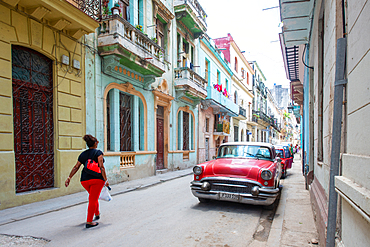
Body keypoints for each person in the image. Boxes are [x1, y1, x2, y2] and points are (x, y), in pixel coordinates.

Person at [65, 134, 110, 228]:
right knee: (93, 199)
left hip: (84, 180)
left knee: (93, 197)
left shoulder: (83, 154)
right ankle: (89, 222)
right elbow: (101, 167)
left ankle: (97, 213)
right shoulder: (98, 153)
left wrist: (69, 177)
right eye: (97, 142)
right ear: (95, 143)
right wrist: (105, 180)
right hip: (97, 180)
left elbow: (76, 167)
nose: (97, 143)